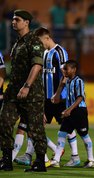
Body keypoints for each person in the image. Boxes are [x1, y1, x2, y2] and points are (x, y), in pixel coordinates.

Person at [14, 27, 79, 167]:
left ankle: (75, 156)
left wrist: (58, 94)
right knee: (35, 126)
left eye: (40, 41)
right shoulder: (42, 53)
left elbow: (66, 75)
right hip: (44, 98)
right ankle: (30, 154)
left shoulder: (59, 52)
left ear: (47, 38)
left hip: (59, 98)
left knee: (66, 127)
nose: (39, 44)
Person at [0, 9, 47, 172]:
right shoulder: (17, 42)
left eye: (17, 20)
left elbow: (37, 65)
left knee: (35, 128)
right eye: (13, 19)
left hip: (31, 93)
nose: (13, 22)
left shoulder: (33, 41)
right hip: (13, 92)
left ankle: (40, 162)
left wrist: (27, 86)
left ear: (26, 23)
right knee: (4, 122)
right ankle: (6, 160)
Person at [50, 60, 94, 168]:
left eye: (67, 69)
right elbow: (65, 94)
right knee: (61, 133)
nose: (64, 71)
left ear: (74, 70)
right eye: (64, 69)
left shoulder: (78, 81)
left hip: (79, 111)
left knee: (84, 135)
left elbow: (80, 98)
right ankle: (56, 160)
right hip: (70, 111)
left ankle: (91, 160)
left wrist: (69, 110)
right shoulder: (68, 81)